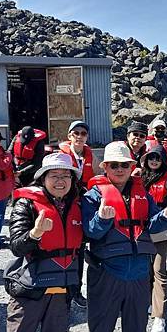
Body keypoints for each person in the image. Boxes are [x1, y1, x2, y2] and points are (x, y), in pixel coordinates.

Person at [82, 141, 167, 332]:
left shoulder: (142, 194)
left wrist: (166, 216)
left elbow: (152, 224)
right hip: (106, 273)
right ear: (104, 167)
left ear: (132, 166)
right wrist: (102, 219)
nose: (119, 169)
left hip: (137, 274)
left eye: (124, 165)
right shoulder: (92, 196)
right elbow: (89, 233)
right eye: (114, 165)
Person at [2, 153, 84, 332]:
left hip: (61, 292)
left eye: (66, 175)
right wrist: (35, 233)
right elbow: (17, 247)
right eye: (54, 175)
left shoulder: (76, 205)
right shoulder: (26, 204)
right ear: (42, 178)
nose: (61, 181)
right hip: (29, 292)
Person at [58, 120, 101, 308]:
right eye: (75, 133)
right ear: (69, 136)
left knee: (79, 250)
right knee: (63, 249)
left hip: (82, 207)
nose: (79, 136)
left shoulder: (91, 156)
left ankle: (76, 291)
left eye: (83, 133)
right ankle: (60, 292)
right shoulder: (61, 155)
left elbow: (99, 177)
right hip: (64, 207)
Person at [141, 144, 167, 332]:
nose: (154, 161)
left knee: (158, 270)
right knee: (145, 269)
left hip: (160, 230)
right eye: (151, 158)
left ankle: (160, 316)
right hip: (141, 230)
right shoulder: (139, 177)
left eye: (158, 158)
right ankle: (150, 301)